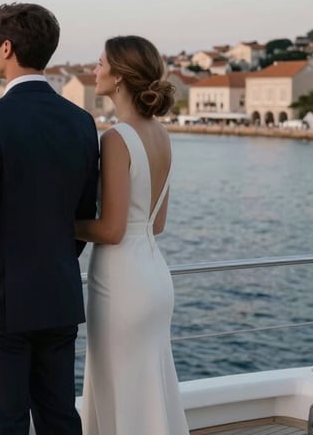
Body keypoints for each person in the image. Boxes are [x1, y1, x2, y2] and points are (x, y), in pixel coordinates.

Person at [0, 2, 99, 435]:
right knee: (59, 421)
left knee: (3, 425)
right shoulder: (81, 122)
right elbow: (82, 217)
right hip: (58, 296)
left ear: (8, 47)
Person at [75, 35, 189, 435]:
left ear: (120, 76)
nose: (94, 70)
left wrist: (57, 223)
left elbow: (111, 229)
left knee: (118, 392)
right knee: (147, 391)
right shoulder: (162, 134)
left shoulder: (116, 138)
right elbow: (156, 224)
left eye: (100, 63)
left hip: (122, 284)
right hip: (155, 277)